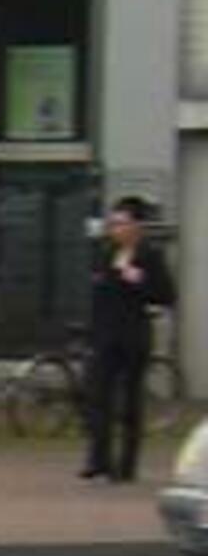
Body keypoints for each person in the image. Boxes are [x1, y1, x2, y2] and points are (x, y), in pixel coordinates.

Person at [80, 197, 180, 484]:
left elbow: (166, 295)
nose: (116, 229)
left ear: (136, 226)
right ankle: (99, 462)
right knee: (99, 397)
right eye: (113, 223)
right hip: (105, 336)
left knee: (129, 402)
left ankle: (127, 466)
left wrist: (138, 280)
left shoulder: (150, 256)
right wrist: (92, 331)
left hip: (133, 338)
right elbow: (98, 294)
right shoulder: (106, 253)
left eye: (122, 223)